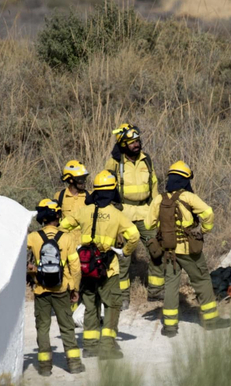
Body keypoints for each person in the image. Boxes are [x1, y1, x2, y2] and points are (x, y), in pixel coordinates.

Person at [147, 161, 222, 337]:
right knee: (202, 281)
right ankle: (211, 320)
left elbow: (147, 223)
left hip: (168, 251)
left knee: (171, 285)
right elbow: (208, 213)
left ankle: (170, 327)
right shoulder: (188, 197)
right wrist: (204, 230)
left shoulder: (159, 199)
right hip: (188, 249)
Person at [76, 170, 141, 359]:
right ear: (112, 191)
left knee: (91, 305)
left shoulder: (83, 211)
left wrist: (76, 249)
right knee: (112, 305)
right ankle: (107, 348)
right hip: (108, 268)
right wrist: (125, 252)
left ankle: (89, 346)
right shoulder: (116, 214)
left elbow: (65, 226)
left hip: (86, 267)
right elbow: (134, 235)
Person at [26, 198, 83, 376]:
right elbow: (75, 267)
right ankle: (73, 364)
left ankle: (44, 368)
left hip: (41, 290)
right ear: (57, 216)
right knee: (66, 326)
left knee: (42, 327)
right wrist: (75, 288)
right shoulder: (67, 238)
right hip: (61, 289)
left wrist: (31, 271)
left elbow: (16, 253)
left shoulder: (33, 238)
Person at [105, 123, 159, 300]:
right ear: (122, 145)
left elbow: (154, 187)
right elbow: (105, 187)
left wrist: (156, 211)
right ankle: (123, 297)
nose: (136, 144)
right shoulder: (115, 162)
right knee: (123, 255)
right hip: (123, 214)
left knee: (156, 250)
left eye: (137, 141)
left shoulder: (146, 160)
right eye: (131, 142)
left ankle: (156, 292)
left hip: (145, 212)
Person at [55, 159, 91, 236]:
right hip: (65, 240)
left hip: (83, 240)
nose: (84, 182)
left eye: (84, 178)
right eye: (81, 179)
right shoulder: (60, 196)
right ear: (71, 180)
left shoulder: (89, 196)